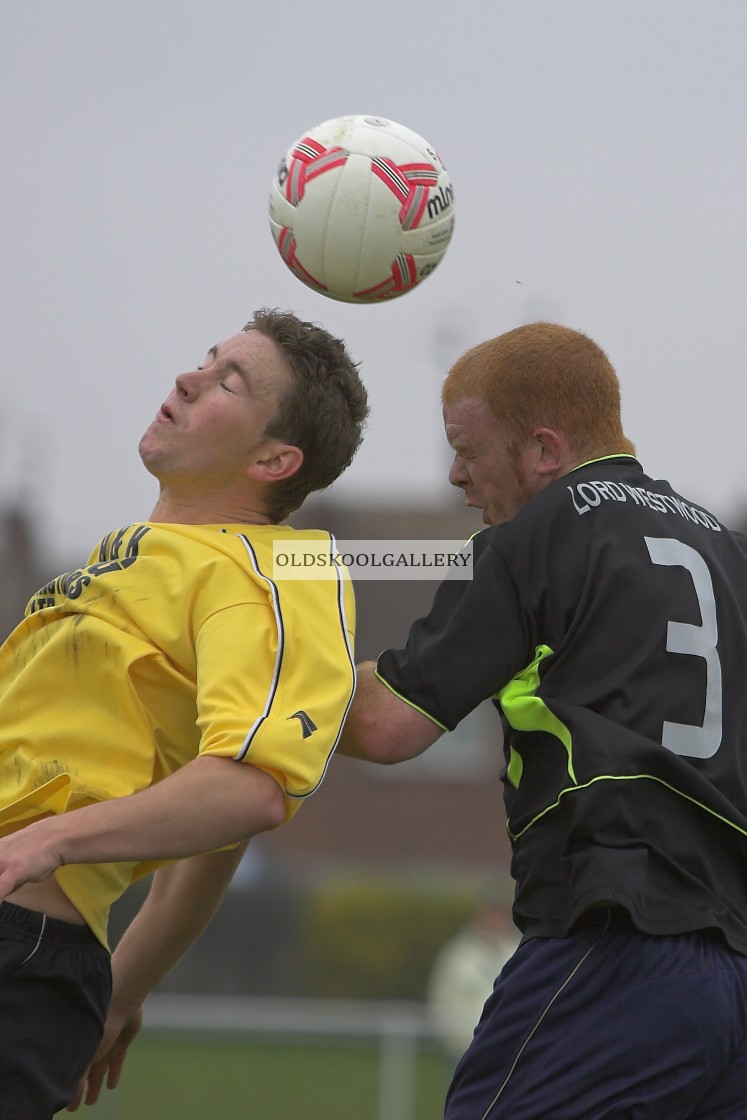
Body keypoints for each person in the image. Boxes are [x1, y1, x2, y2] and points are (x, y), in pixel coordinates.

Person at [339, 322, 747, 1120]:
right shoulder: (725, 551)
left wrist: (245, 657)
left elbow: (386, 725)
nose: (456, 475)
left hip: (615, 949)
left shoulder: (538, 534)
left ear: (544, 450)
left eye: (468, 449)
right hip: (733, 971)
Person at [0, 307, 368, 1118]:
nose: (189, 377)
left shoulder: (282, 569)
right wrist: (124, 992)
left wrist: (48, 839)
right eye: (206, 359)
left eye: (228, 381)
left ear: (276, 458)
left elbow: (249, 789)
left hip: (19, 943)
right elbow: (218, 817)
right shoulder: (123, 552)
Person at [426, 901, 519, 1064]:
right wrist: (450, 1036)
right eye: (491, 916)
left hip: (508, 1048)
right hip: (463, 1047)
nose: (495, 923)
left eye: (499, 917)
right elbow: (441, 994)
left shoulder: (517, 950)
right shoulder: (459, 952)